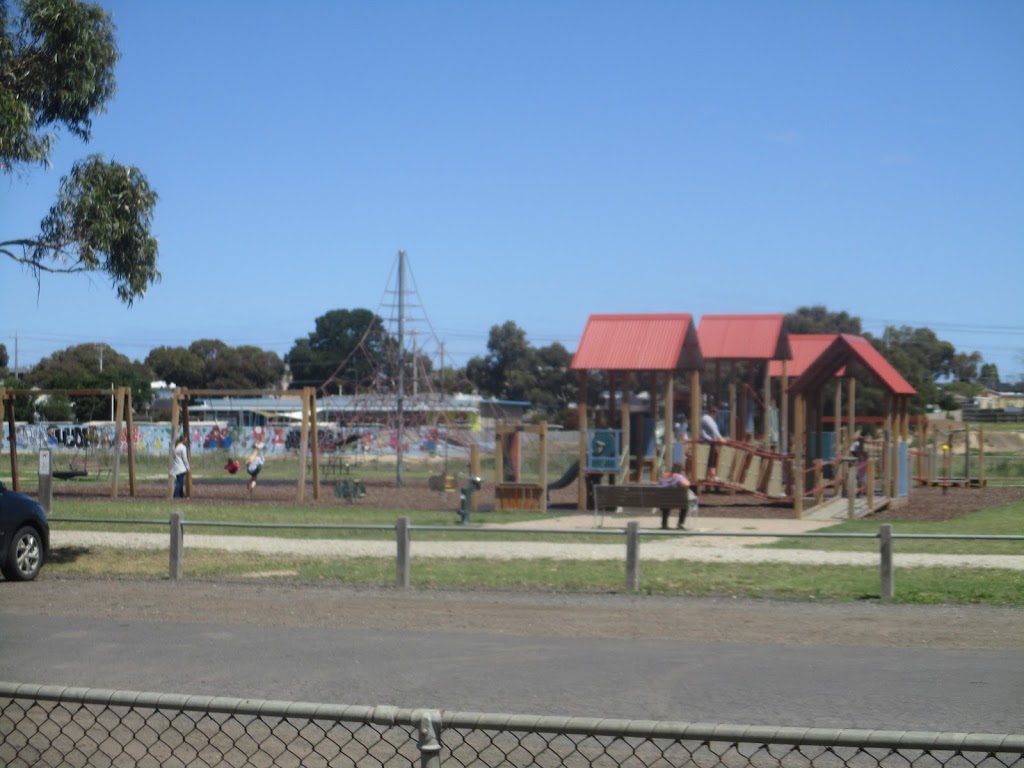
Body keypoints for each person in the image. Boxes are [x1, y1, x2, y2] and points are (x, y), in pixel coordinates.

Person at [658, 462, 692, 529]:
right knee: (684, 505)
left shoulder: (663, 475)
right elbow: (687, 484)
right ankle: (680, 524)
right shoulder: (678, 477)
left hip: (662, 500)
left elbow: (659, 483)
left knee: (666, 503)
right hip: (676, 501)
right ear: (680, 470)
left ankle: (664, 524)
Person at [701, 405, 725, 482]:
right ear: (713, 412)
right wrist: (720, 438)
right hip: (708, 442)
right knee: (710, 459)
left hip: (712, 441)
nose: (717, 415)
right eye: (716, 413)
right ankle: (711, 476)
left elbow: (714, 431)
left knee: (713, 458)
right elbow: (713, 430)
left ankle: (712, 475)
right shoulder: (706, 418)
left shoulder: (711, 419)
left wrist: (719, 438)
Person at [169, 434, 190, 499]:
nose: (186, 440)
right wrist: (187, 467)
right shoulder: (183, 447)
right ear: (183, 439)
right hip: (181, 467)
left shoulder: (175, 446)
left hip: (176, 466)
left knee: (180, 481)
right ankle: (175, 494)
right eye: (186, 439)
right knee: (179, 482)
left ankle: (181, 494)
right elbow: (184, 458)